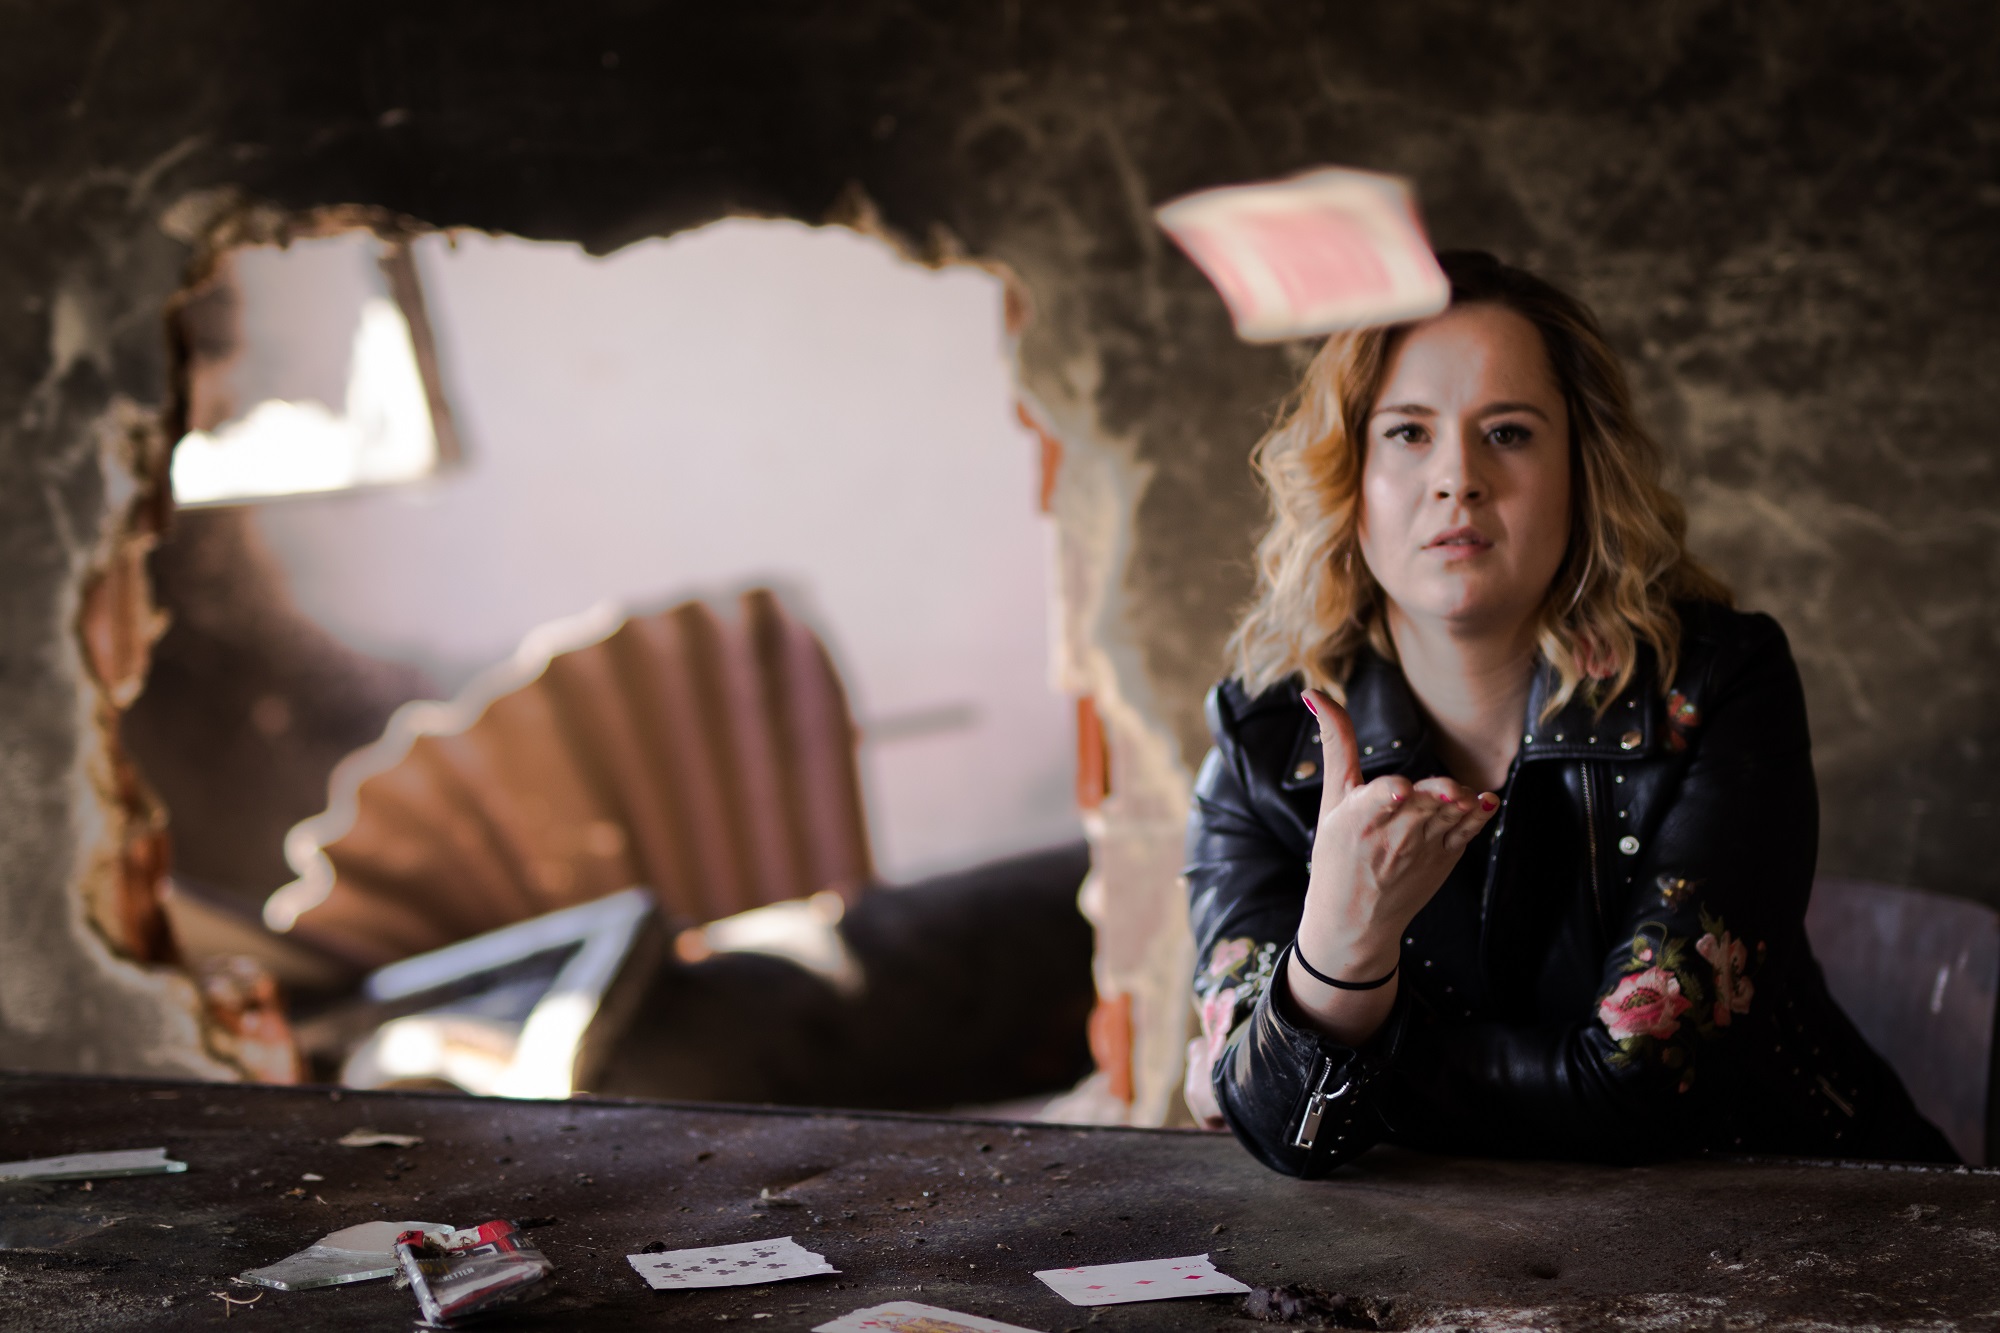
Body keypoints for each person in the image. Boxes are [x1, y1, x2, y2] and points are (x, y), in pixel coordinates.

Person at [1183, 251, 1954, 1175]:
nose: (1458, 478)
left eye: (1507, 432)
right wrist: (1344, 934)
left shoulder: (1717, 686)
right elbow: (1281, 1128)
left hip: (1818, 1214)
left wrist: (1313, 1038)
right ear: (1349, 473)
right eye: (1407, 432)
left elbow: (1635, 1089)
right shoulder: (1263, 744)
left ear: (1581, 470)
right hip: (1456, 1249)